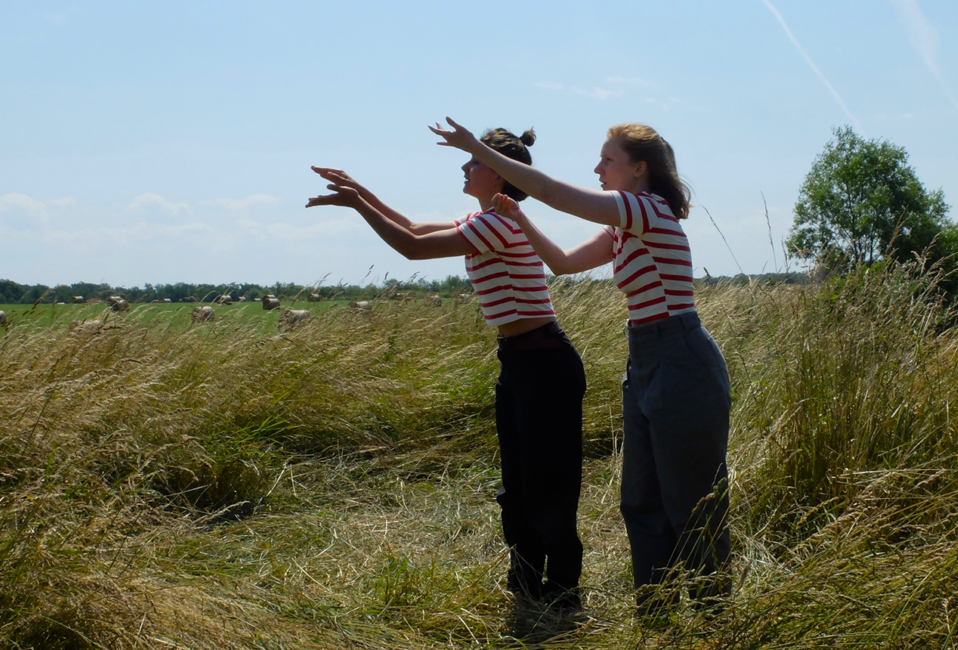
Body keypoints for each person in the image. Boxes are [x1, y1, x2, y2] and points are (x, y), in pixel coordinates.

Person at [432, 119, 731, 613]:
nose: (597, 167)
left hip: (681, 358)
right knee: (639, 501)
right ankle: (655, 613)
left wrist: (473, 146)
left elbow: (549, 190)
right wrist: (519, 218)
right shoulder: (623, 226)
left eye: (607, 160)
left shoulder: (647, 209)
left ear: (639, 169)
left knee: (692, 503)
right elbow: (564, 263)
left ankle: (711, 618)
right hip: (644, 358)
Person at [306, 128, 587, 609]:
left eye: (473, 163)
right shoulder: (484, 218)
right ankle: (525, 586)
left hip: (545, 363)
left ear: (499, 173)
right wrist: (360, 190)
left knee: (548, 482)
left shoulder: (500, 222)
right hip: (520, 361)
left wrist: (356, 203)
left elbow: (412, 249)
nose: (464, 168)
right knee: (517, 482)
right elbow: (415, 229)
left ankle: (561, 595)